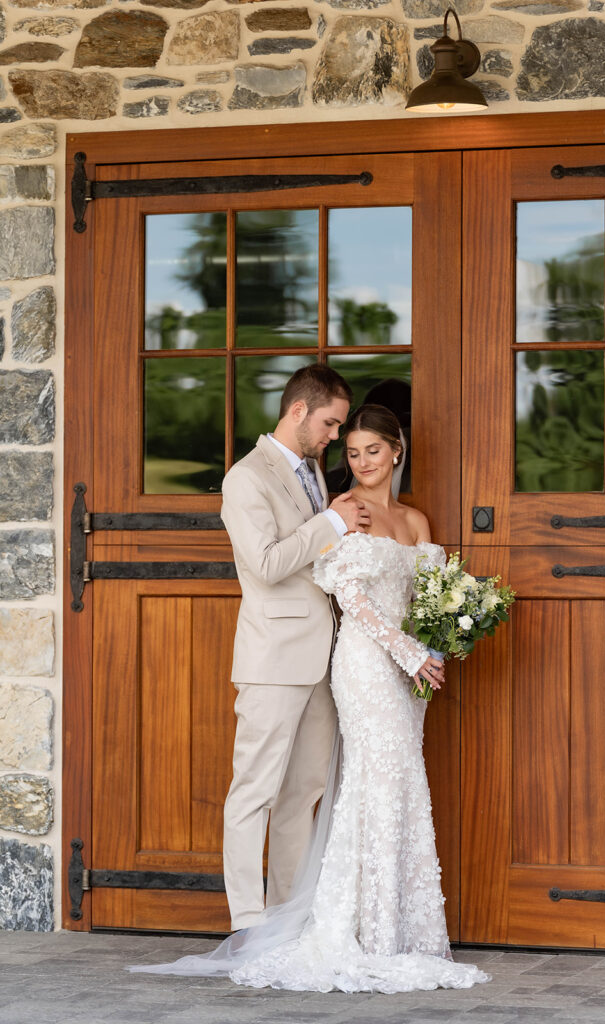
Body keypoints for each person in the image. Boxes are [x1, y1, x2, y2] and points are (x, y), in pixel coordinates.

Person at [130, 403, 488, 994]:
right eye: (349, 449)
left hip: (405, 673)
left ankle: (390, 925)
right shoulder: (340, 509)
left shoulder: (413, 518)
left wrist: (438, 643)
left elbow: (431, 592)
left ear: (397, 450)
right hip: (364, 662)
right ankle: (279, 925)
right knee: (329, 783)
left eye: (370, 449)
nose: (356, 459)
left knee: (371, 785)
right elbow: (347, 592)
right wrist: (404, 650)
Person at [218, 364, 369, 929]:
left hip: (324, 656)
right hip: (274, 658)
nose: (336, 437)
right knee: (253, 791)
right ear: (299, 411)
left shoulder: (311, 470)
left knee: (302, 790)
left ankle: (285, 915)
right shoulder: (246, 478)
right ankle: (247, 922)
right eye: (331, 424)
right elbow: (267, 564)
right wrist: (330, 520)